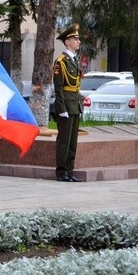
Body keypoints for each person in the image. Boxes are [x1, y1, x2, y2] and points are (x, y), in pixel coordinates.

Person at [53, 24, 83, 183]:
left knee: (72, 142)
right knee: (64, 141)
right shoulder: (61, 62)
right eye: (75, 39)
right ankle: (61, 172)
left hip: (75, 105)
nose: (79, 41)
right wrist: (61, 108)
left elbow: (76, 86)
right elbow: (58, 88)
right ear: (67, 42)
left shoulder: (74, 60)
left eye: (78, 38)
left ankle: (70, 172)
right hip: (66, 106)